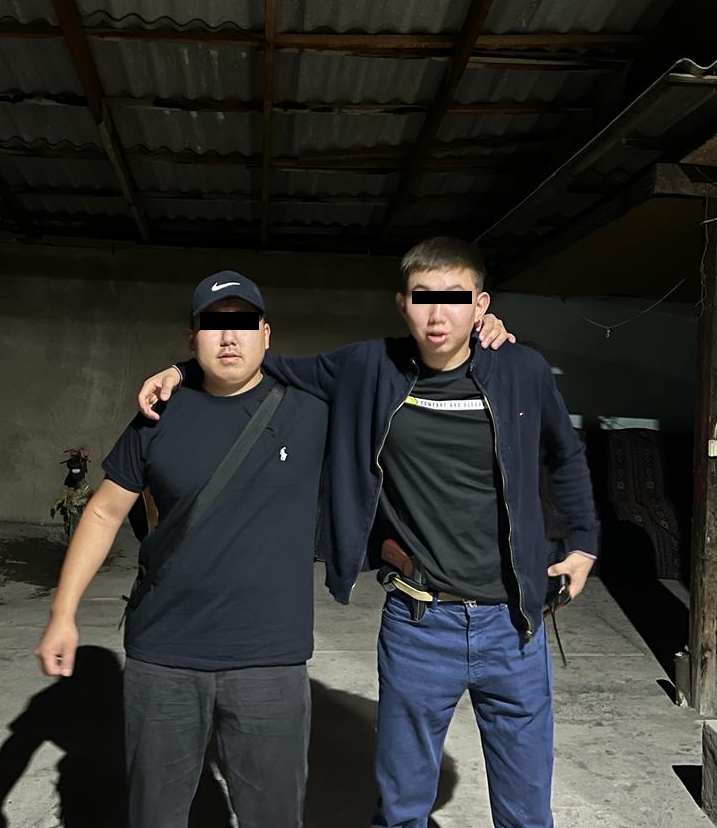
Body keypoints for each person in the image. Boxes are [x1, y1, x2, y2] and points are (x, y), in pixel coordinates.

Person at [138, 238, 598, 828]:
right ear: (402, 304)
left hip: (515, 625)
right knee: (402, 810)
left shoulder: (521, 370)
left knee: (528, 814)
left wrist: (584, 543)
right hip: (419, 625)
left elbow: (566, 452)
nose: (438, 314)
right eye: (423, 298)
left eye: (456, 299)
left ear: (481, 305)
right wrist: (181, 370)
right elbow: (262, 364)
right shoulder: (368, 366)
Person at [36, 272, 332, 828]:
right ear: (192, 336)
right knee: (155, 815)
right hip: (164, 658)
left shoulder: (312, 410)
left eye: (243, 324)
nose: (229, 337)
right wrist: (62, 612)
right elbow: (102, 512)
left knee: (274, 817)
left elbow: (395, 371)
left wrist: (488, 334)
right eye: (213, 325)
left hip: (268, 660)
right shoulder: (158, 415)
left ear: (266, 334)